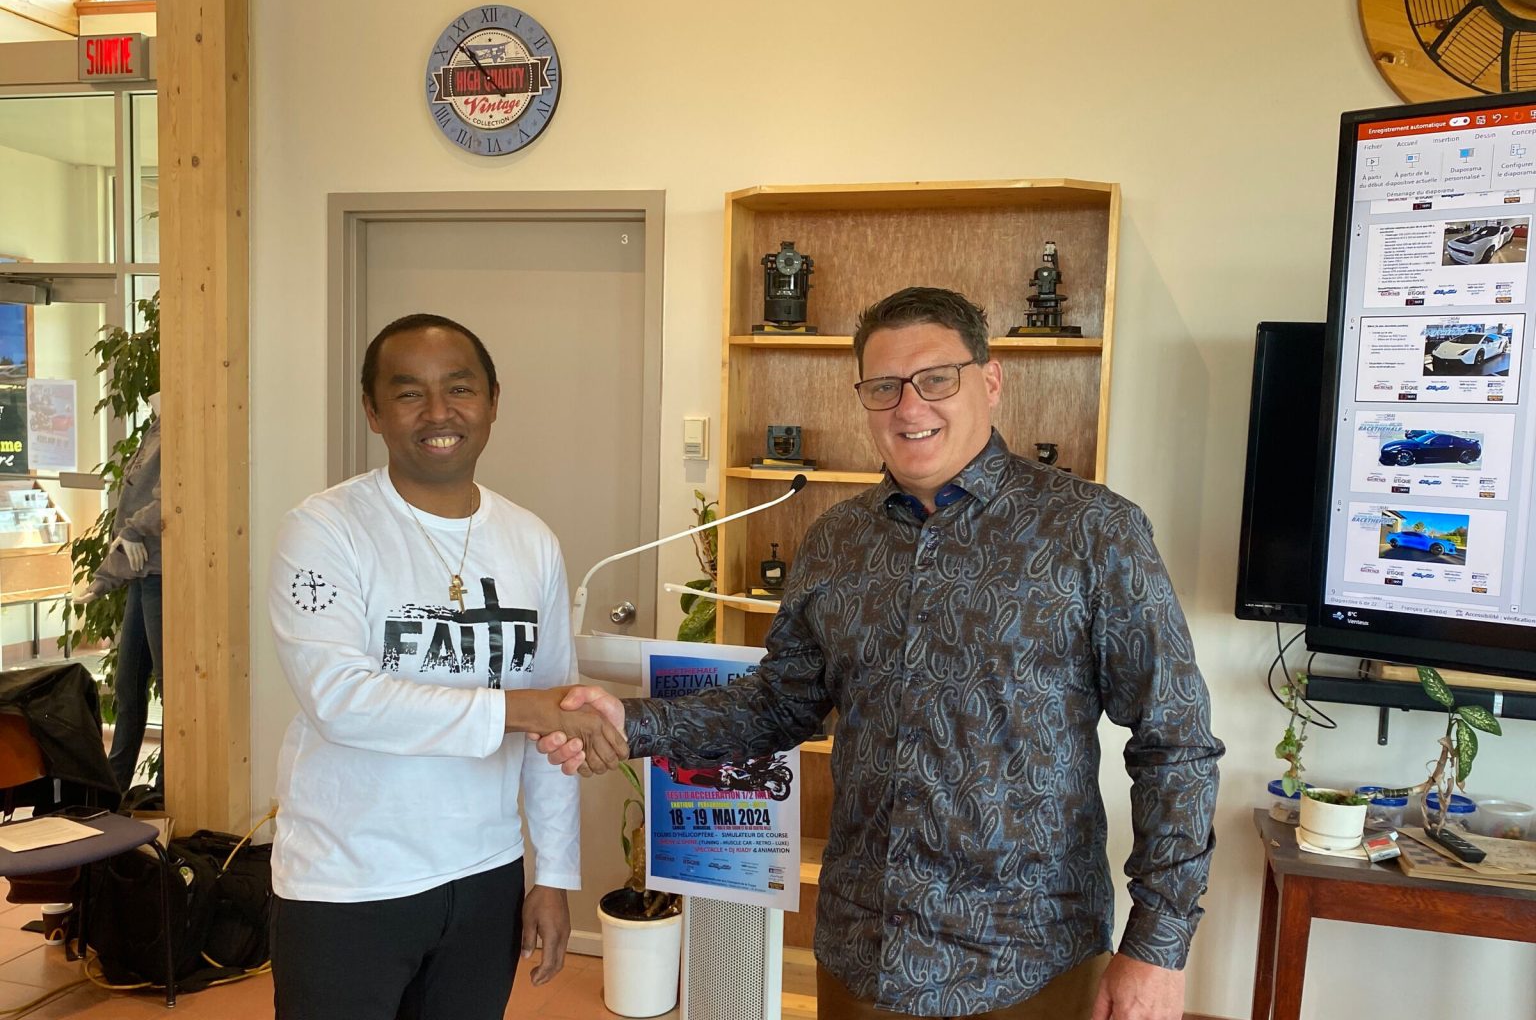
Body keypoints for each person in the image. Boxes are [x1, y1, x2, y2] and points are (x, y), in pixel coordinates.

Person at [540, 288, 1223, 1020]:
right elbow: (780, 703)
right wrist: (634, 723)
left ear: (990, 381)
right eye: (884, 386)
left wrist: (1157, 945)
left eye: (937, 379)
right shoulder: (837, 540)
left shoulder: (1092, 531)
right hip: (862, 951)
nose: (909, 406)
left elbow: (1174, 741)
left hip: (1028, 958)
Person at [266, 313, 628, 1020]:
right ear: (373, 411)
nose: (438, 412)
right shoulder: (324, 529)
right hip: (347, 882)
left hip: (485, 876)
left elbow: (557, 722)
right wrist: (522, 709)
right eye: (409, 393)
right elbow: (339, 700)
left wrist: (553, 875)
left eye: (459, 388)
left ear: (492, 400)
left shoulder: (530, 540)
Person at [79, 391, 162, 794]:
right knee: (128, 684)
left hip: (163, 572)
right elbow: (130, 514)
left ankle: (167, 786)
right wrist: (107, 575)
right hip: (142, 573)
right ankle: (114, 787)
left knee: (170, 686)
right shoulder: (155, 428)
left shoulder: (180, 430)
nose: (153, 397)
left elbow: (170, 496)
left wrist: (132, 531)